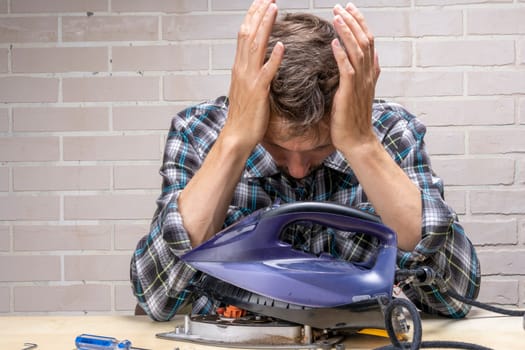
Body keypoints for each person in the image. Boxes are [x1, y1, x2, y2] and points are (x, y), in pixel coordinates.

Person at [130, 0, 480, 321]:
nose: (297, 169)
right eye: (277, 148)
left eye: (319, 147)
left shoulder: (389, 130)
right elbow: (157, 298)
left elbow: (457, 295)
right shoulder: (199, 131)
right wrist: (235, 139)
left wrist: (361, 144)